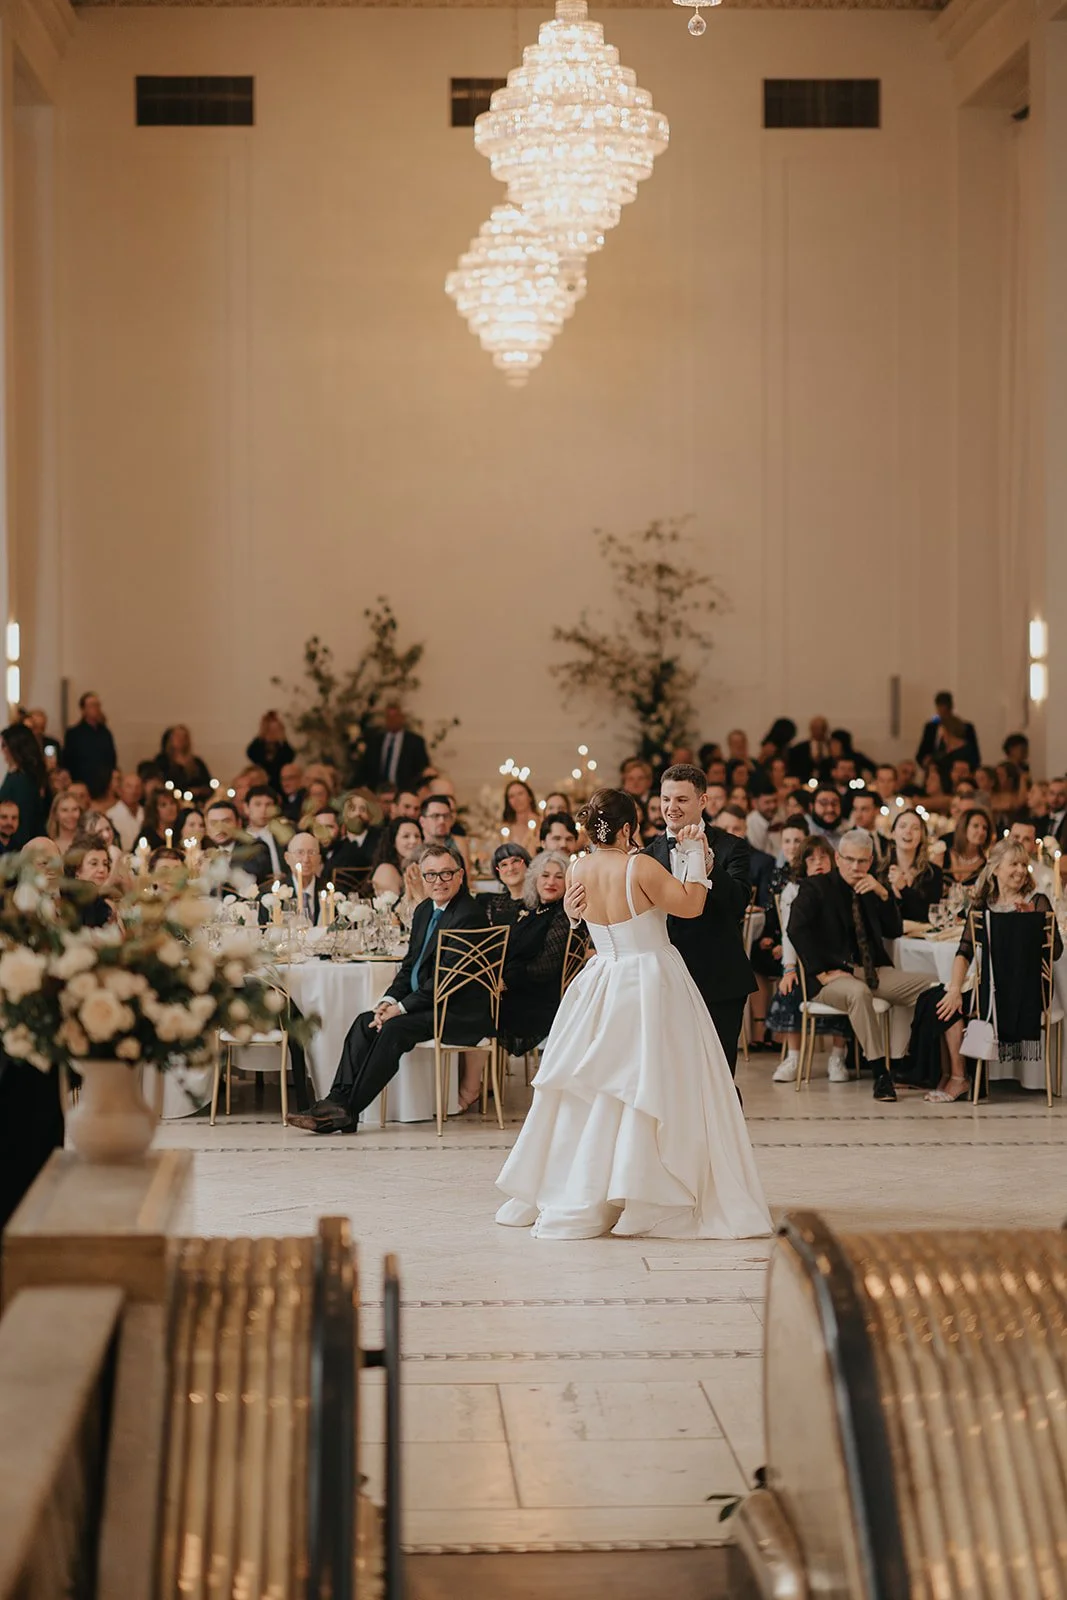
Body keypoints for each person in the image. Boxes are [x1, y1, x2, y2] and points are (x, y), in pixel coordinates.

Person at [496, 788, 771, 1241]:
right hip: (648, 978)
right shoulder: (638, 864)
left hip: (601, 977)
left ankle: (590, 1187)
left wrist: (573, 911)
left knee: (599, 1089)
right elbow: (691, 905)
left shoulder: (578, 865)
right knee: (651, 1084)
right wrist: (698, 861)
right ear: (626, 827)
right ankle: (645, 1194)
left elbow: (575, 912)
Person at [567, 765, 757, 1078]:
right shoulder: (643, 856)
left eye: (681, 799)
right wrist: (575, 915)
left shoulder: (731, 847)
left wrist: (710, 867)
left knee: (718, 1078)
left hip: (717, 978)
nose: (671, 807)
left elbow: (738, 904)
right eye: (666, 799)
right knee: (667, 1077)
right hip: (660, 983)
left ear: (703, 801)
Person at [287, 843, 490, 1134]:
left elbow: (449, 981)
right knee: (364, 1022)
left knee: (394, 1029)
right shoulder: (423, 911)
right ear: (421, 877)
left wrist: (402, 1008)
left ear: (460, 876)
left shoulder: (469, 915)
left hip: (457, 1010)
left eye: (446, 874)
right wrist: (388, 1000)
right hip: (427, 1004)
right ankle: (337, 1102)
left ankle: (345, 1110)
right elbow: (410, 967)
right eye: (430, 875)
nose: (438, 882)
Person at [787, 828, 936, 1102]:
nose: (856, 867)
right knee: (859, 994)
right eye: (850, 860)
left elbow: (894, 929)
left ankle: (921, 1065)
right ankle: (882, 1074)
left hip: (872, 972)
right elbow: (796, 929)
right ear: (838, 858)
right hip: (830, 976)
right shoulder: (817, 886)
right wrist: (819, 971)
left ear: (870, 861)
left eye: (863, 861)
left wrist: (883, 893)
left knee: (932, 987)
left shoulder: (871, 886)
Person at [931, 839, 1062, 1102]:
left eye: (1024, 864)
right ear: (995, 869)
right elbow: (963, 951)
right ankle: (954, 1077)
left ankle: (959, 1080)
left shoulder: (1037, 902)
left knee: (940, 1005)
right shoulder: (982, 906)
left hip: (1027, 993)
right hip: (990, 989)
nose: (1021, 870)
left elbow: (1056, 951)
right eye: (1013, 864)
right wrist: (955, 989)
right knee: (936, 1001)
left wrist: (1031, 923)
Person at [769, 833, 851, 1084]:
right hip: (805, 962)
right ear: (803, 863)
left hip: (836, 959)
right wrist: (789, 969)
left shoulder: (841, 887)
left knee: (846, 990)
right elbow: (789, 933)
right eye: (811, 858)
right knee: (791, 989)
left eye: (823, 857)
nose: (818, 862)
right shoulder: (794, 890)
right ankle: (793, 1057)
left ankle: (838, 1055)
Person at [494, 851, 571, 1060]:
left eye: (559, 877)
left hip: (536, 1000)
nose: (551, 882)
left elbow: (546, 967)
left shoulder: (562, 915)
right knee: (469, 1004)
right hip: (516, 991)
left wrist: (505, 981)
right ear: (535, 879)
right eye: (545, 875)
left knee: (474, 1012)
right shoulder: (531, 910)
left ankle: (472, 1086)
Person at [883, 808, 944, 923]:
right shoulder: (879, 870)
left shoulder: (933, 873)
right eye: (902, 826)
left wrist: (903, 889)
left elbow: (929, 915)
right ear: (892, 833)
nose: (908, 831)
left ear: (922, 836)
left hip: (920, 940)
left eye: (915, 828)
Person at [354, 703, 430, 791]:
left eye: (395, 717)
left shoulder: (415, 742)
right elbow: (364, 768)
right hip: (377, 792)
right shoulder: (375, 741)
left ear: (402, 718)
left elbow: (423, 769)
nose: (392, 720)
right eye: (389, 717)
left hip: (405, 791)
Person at [0, 724, 51, 848]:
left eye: (4, 745)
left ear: (15, 747)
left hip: (19, 847)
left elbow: (24, 821)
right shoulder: (21, 775)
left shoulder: (22, 780)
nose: (2, 750)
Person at [61, 692, 118, 801]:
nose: (95, 709)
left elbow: (112, 758)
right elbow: (68, 760)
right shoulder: (74, 733)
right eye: (92, 705)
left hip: (103, 786)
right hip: (82, 785)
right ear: (83, 709)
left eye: (97, 705)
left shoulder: (105, 733)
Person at [916, 690, 980, 771]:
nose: (942, 714)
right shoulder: (930, 728)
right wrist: (926, 762)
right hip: (934, 771)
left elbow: (974, 758)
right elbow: (921, 754)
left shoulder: (966, 728)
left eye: (945, 710)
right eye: (940, 709)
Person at [369, 817, 425, 900]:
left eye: (417, 836)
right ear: (393, 842)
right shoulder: (386, 869)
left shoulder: (420, 867)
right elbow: (393, 909)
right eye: (406, 836)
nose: (413, 841)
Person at [156, 725, 212, 798]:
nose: (181, 739)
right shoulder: (162, 761)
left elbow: (207, 784)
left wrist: (199, 791)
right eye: (177, 736)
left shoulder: (197, 762)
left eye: (184, 737)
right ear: (170, 739)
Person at [246, 711, 296, 791]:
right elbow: (250, 753)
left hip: (279, 784)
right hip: (261, 782)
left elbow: (290, 757)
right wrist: (261, 736)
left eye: (275, 730)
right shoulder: (258, 746)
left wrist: (283, 739)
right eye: (270, 730)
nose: (272, 733)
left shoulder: (282, 748)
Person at [483, 842, 532, 924]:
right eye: (504, 864)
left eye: (515, 861)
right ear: (498, 873)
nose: (510, 868)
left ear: (527, 864)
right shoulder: (493, 905)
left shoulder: (541, 901)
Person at [945, 807, 992, 888]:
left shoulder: (985, 867)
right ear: (964, 828)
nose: (981, 832)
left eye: (985, 828)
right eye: (976, 826)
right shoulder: (944, 857)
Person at [107, 772, 145, 853]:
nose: (134, 791)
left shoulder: (147, 813)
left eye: (137, 787)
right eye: (129, 786)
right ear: (120, 790)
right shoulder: (111, 815)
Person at [788, 717, 832, 784]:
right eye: (816, 728)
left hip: (827, 782)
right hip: (804, 781)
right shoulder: (799, 749)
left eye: (822, 728)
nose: (819, 731)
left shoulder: (831, 747)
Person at [141, 786, 181, 852]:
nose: (170, 808)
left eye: (172, 803)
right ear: (155, 811)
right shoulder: (147, 835)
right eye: (163, 805)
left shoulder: (182, 830)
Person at [47, 791, 85, 855]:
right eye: (64, 810)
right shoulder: (47, 846)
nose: (70, 815)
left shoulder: (88, 843)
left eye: (74, 809)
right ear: (55, 814)